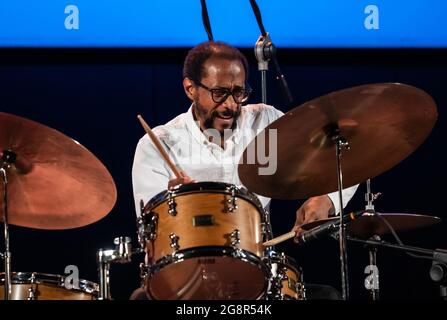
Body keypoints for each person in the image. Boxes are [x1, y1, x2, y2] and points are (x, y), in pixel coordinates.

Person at [131, 41, 358, 300]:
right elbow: (149, 232)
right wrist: (176, 207)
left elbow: (343, 155)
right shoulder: (157, 143)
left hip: (256, 275)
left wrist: (325, 199)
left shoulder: (266, 123)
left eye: (238, 92)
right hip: (188, 280)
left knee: (328, 296)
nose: (230, 105)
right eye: (219, 93)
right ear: (190, 88)